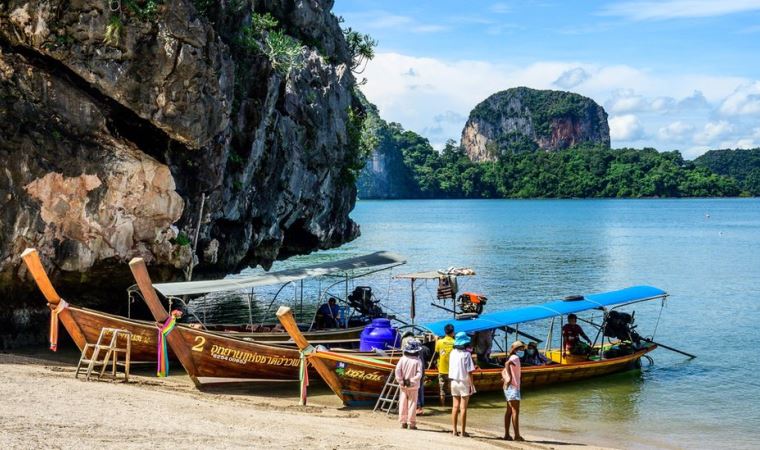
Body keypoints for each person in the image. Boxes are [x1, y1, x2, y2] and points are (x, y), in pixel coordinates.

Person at [449, 331, 476, 437]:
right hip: (464, 382)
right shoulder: (467, 354)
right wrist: (472, 385)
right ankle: (463, 431)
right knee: (463, 408)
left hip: (454, 381)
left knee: (455, 407)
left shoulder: (452, 353)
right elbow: (470, 372)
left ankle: (454, 430)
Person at [394, 339, 423, 430]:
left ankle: (403, 422)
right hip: (413, 386)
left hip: (403, 385)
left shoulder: (402, 359)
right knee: (413, 404)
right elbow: (419, 374)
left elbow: (397, 370)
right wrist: (411, 381)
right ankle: (412, 423)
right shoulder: (418, 361)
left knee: (402, 403)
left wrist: (401, 381)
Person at [401, 331, 431, 415]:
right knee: (418, 389)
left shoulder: (405, 342)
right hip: (418, 370)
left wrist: (401, 380)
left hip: (410, 371)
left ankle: (416, 407)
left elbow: (399, 369)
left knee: (408, 391)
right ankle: (418, 406)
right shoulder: (417, 343)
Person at [503, 340, 526, 442]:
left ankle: (507, 434)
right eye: (521, 348)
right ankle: (517, 435)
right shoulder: (515, 358)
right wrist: (510, 377)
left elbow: (506, 365)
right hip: (513, 387)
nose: (523, 350)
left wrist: (508, 378)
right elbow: (507, 364)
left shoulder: (512, 357)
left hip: (509, 388)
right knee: (515, 411)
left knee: (509, 411)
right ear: (517, 349)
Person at [434, 323, 456, 406]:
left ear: (445, 332)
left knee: (442, 390)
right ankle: (454, 405)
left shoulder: (439, 342)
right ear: (453, 332)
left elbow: (436, 354)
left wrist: (436, 340)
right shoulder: (455, 342)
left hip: (442, 370)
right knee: (453, 389)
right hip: (452, 371)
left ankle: (443, 405)